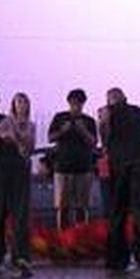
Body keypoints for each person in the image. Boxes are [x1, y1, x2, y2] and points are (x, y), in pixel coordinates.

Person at [103, 87, 140, 277]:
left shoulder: (108, 113)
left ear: (110, 100)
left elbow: (106, 138)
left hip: (120, 167)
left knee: (118, 213)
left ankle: (117, 259)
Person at [0, 91, 35, 278]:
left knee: (20, 213)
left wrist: (15, 136)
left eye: (24, 102)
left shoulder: (30, 125)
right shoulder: (3, 122)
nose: (21, 105)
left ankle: (21, 257)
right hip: (0, 169)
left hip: (19, 169)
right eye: (18, 102)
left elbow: (28, 146)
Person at [48, 89, 97, 228]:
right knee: (62, 206)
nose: (76, 106)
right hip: (62, 167)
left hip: (83, 167)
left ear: (83, 104)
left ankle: (81, 236)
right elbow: (50, 137)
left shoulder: (89, 121)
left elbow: (94, 142)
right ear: (68, 102)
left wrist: (83, 131)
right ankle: (63, 237)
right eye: (73, 103)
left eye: (79, 103)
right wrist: (63, 130)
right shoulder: (60, 117)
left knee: (82, 206)